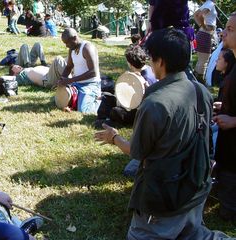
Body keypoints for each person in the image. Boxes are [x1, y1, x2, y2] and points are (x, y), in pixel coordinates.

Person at [95, 27, 231, 239]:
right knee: (192, 234)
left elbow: (136, 152)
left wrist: (114, 137)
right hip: (197, 185)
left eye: (151, 58)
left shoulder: (155, 103)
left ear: (161, 62)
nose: (150, 62)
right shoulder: (201, 91)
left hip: (166, 196)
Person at [213, 12, 236, 222]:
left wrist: (234, 120)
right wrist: (225, 106)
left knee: (227, 214)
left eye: (230, 29)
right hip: (227, 150)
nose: (223, 34)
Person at [58, 28, 101, 114]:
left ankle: (103, 100)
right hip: (77, 84)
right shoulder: (72, 49)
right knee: (59, 101)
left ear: (74, 38)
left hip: (91, 84)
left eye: (67, 43)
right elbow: (69, 67)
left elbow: (93, 72)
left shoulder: (87, 48)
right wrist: (62, 79)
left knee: (83, 110)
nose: (66, 46)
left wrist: (70, 80)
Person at [194, 0, 217, 83]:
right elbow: (200, 15)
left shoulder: (206, 3)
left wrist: (201, 26)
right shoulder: (210, 3)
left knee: (201, 60)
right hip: (206, 33)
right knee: (204, 61)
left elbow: (196, 15)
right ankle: (199, 83)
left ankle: (195, 82)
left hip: (203, 33)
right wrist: (204, 26)